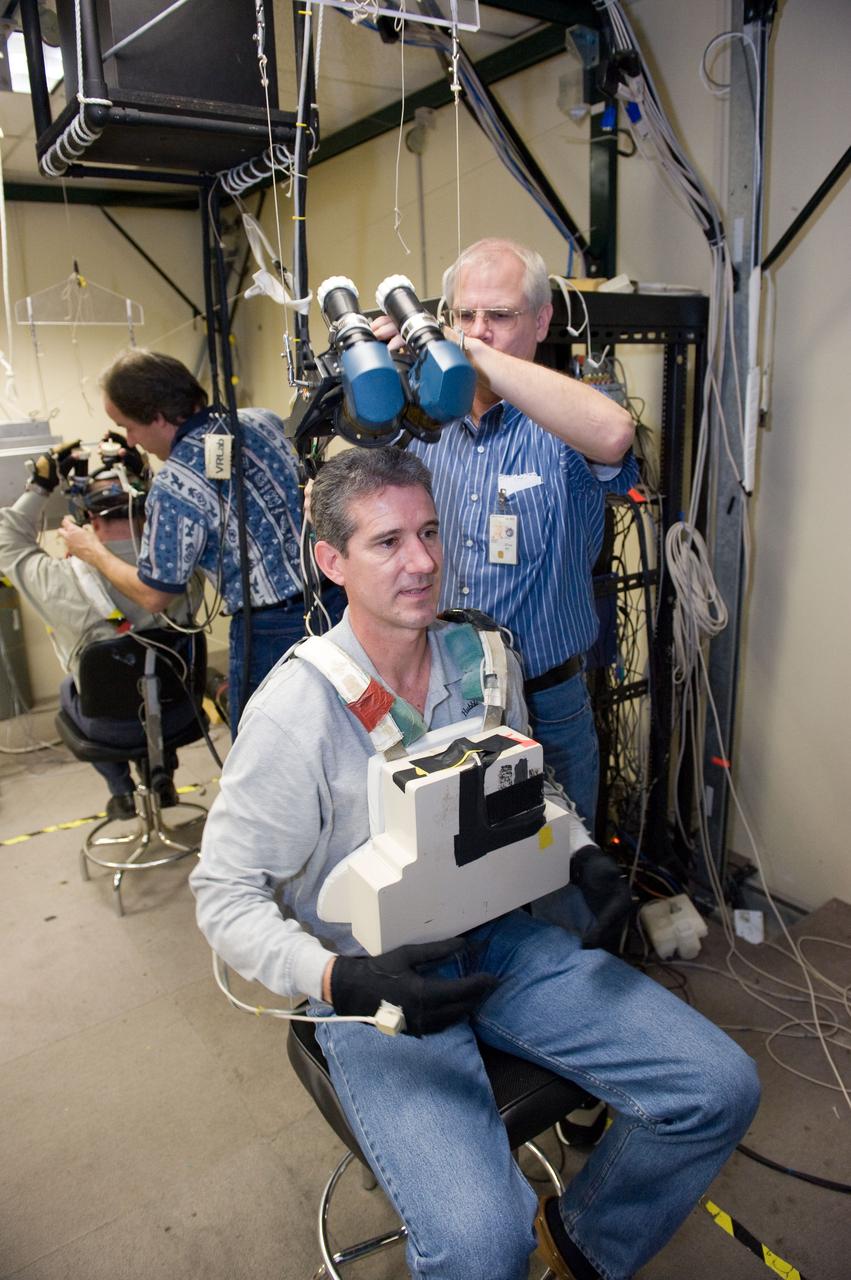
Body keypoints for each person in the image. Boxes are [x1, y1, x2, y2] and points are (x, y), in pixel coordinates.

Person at [190, 447, 760, 1280]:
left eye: (427, 532)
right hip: (367, 983)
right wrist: (339, 981)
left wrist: (578, 856)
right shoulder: (297, 713)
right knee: (482, 1244)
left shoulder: (485, 659)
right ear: (331, 561)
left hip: (501, 940)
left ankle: (584, 1243)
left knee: (719, 1085)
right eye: (386, 543)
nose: (420, 561)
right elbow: (223, 897)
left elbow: (527, 790)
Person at [373, 238, 638, 845]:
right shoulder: (422, 422)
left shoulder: (564, 419)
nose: (478, 330)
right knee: (451, 874)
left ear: (542, 320)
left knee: (562, 877)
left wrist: (464, 352)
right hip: (438, 699)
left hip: (546, 700)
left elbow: (615, 434)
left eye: (499, 316)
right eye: (464, 316)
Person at [58, 350, 338, 732]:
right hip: (336, 601)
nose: (132, 439)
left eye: (129, 427)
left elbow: (155, 594)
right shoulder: (264, 421)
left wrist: (92, 551)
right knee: (344, 727)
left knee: (265, 749)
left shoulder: (174, 485)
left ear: (157, 417)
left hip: (271, 631)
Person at [0, 439, 198, 818]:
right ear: (143, 512)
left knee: (70, 687)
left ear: (89, 522)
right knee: (161, 670)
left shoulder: (58, 580)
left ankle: (120, 789)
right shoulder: (182, 571)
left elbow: (7, 540)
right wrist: (145, 477)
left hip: (111, 730)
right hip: (179, 716)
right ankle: (162, 773)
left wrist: (40, 487)